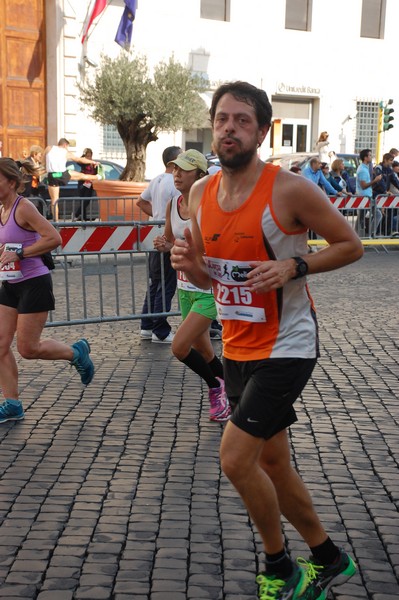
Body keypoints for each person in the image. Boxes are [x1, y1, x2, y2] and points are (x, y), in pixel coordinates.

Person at [171, 81, 363, 600]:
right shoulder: (198, 194)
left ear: (261, 130)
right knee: (273, 461)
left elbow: (351, 245)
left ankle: (281, 568)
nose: (229, 128)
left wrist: (294, 264)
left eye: (241, 120)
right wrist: (192, 267)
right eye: (221, 119)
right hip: (237, 345)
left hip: (288, 345)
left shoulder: (289, 189)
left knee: (235, 458)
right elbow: (218, 279)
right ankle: (329, 558)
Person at [0, 158, 95, 423]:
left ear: (10, 182)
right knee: (0, 345)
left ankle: (76, 353)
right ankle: (12, 405)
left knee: (28, 349)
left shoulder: (24, 207)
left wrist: (20, 252)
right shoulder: (2, 210)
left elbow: (54, 238)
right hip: (11, 284)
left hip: (34, 283)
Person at [153, 149, 230, 422]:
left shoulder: (207, 207)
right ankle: (235, 394)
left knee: (179, 347)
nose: (176, 174)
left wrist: (181, 249)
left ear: (199, 175)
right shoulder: (173, 204)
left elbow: (209, 250)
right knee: (205, 351)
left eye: (182, 170)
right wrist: (165, 245)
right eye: (174, 169)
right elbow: (170, 239)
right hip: (185, 288)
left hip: (207, 291)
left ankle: (216, 389)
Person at [137, 146, 182, 343]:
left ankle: (147, 326)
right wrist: (167, 220)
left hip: (156, 235)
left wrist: (156, 215)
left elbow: (141, 202)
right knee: (166, 284)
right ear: (174, 162)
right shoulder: (174, 182)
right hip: (166, 236)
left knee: (155, 282)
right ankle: (160, 330)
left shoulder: (156, 180)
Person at [43, 138, 101, 221]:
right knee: (82, 176)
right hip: (62, 174)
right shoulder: (65, 152)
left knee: (54, 201)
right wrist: (92, 162)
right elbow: (79, 159)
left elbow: (43, 161)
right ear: (65, 145)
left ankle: (56, 222)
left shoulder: (48, 148)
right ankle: (98, 177)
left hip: (52, 176)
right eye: (68, 147)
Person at [355, 149, 383, 237]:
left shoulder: (365, 168)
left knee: (361, 218)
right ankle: (368, 234)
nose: (371, 157)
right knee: (376, 215)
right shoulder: (363, 170)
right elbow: (363, 185)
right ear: (365, 158)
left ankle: (361, 235)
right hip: (364, 197)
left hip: (366, 196)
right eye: (370, 155)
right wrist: (375, 181)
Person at [74, 148, 98, 221]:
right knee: (83, 200)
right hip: (82, 183)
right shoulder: (83, 163)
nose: (89, 158)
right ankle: (81, 217)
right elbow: (78, 161)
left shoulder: (93, 164)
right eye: (87, 156)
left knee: (86, 201)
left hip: (90, 184)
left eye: (90, 156)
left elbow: (96, 173)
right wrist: (84, 157)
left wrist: (95, 166)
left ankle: (78, 215)